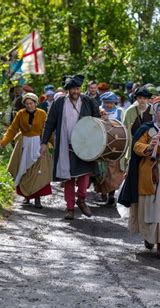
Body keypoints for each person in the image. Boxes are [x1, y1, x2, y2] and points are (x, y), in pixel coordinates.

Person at [119, 95, 160, 259]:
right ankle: (149, 237)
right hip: (148, 174)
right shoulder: (146, 128)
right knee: (149, 207)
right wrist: (150, 146)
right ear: (154, 112)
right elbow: (136, 147)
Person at [40, 74, 100, 220]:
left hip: (85, 146)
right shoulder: (59, 103)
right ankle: (70, 208)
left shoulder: (88, 101)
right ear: (68, 90)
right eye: (73, 89)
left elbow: (97, 120)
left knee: (85, 176)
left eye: (78, 88)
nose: (76, 91)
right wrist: (43, 143)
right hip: (65, 145)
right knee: (68, 178)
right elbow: (50, 123)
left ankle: (81, 199)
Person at [0, 92, 53, 208]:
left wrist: (54, 143)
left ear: (35, 103)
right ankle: (26, 197)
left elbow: (48, 129)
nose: (29, 106)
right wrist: (4, 142)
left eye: (31, 103)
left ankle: (37, 198)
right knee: (23, 169)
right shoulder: (20, 114)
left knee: (38, 170)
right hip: (24, 143)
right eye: (27, 104)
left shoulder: (42, 113)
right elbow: (12, 129)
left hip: (38, 143)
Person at [94, 91, 125, 206]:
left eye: (111, 103)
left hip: (115, 145)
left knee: (113, 171)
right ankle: (103, 194)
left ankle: (111, 195)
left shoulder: (120, 111)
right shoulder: (98, 110)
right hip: (100, 145)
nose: (110, 105)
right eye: (107, 103)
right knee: (102, 170)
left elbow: (124, 126)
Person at [121, 86, 153, 170]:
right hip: (134, 143)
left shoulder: (153, 110)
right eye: (140, 98)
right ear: (136, 98)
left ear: (148, 99)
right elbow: (125, 129)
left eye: (145, 98)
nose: (142, 100)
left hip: (149, 143)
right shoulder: (129, 111)